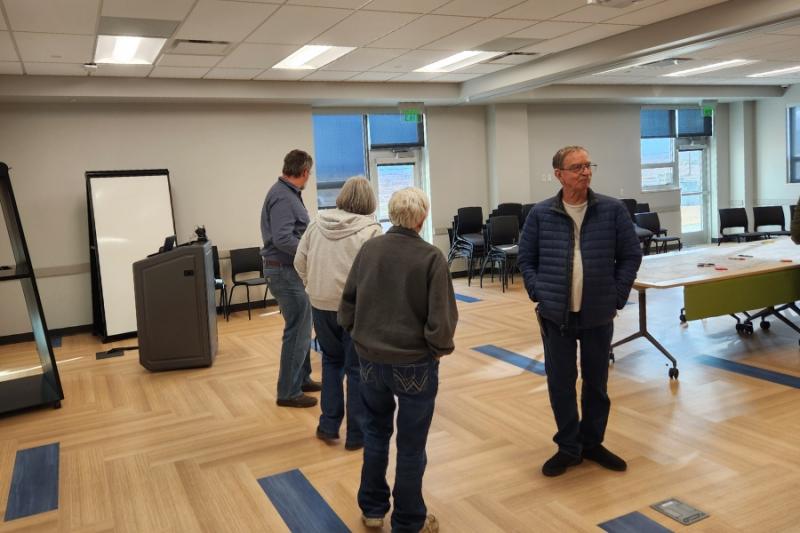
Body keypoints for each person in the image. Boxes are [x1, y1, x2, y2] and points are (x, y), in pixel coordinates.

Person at [518, 145, 642, 477]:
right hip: (555, 314)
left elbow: (631, 255)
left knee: (596, 382)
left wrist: (617, 295)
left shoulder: (612, 211)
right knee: (561, 382)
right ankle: (568, 447)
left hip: (598, 312)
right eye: (577, 167)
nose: (585, 172)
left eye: (588, 165)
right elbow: (525, 260)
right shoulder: (541, 214)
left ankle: (592, 443)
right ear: (559, 174)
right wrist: (538, 291)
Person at [339, 187, 457, 533]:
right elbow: (443, 320)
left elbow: (347, 304)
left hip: (370, 361)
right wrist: (437, 349)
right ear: (421, 218)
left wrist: (359, 337)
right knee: (411, 444)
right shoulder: (432, 257)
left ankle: (373, 510)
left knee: (375, 433)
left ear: (391, 215)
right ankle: (408, 521)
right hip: (416, 364)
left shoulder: (369, 250)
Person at [295, 177, 382, 450]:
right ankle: (357, 435)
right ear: (369, 201)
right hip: (355, 309)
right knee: (357, 369)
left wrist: (313, 285)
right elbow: (378, 274)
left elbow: (299, 261)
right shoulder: (372, 231)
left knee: (331, 363)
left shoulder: (316, 224)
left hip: (321, 304)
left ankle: (328, 425)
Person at [260, 149, 321, 408]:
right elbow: (282, 238)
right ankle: (287, 392)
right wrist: (311, 251)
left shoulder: (286, 193)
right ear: (305, 172)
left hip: (287, 270)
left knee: (302, 327)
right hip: (284, 271)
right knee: (297, 330)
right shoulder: (284, 197)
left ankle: (302, 378)